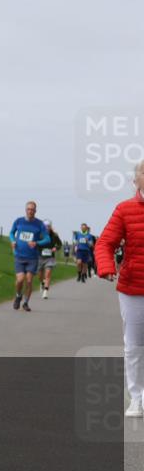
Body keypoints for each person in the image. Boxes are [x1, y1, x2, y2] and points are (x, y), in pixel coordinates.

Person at [95, 161, 144, 418]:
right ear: (136, 180)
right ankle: (136, 398)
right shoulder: (125, 210)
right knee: (135, 345)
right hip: (133, 287)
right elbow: (105, 242)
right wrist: (106, 266)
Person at [9, 201, 51, 312]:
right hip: (19, 255)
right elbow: (11, 233)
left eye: (32, 209)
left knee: (28, 281)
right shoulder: (19, 221)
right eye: (28, 209)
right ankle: (18, 295)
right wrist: (13, 241)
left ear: (35, 211)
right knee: (20, 280)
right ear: (25, 210)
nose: (30, 211)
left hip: (32, 257)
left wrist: (36, 243)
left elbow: (47, 239)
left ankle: (26, 303)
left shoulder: (39, 224)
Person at [36, 220, 63, 300]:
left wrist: (56, 248)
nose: (46, 227)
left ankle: (45, 292)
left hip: (50, 257)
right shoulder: (39, 234)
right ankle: (42, 283)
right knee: (40, 275)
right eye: (45, 226)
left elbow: (60, 244)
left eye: (48, 226)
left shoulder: (54, 235)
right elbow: (35, 243)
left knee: (47, 274)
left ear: (50, 227)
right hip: (40, 257)